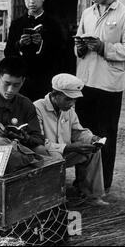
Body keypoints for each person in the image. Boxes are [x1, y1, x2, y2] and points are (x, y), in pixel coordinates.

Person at [74, 0, 125, 193]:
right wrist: (80, 47)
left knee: (105, 135)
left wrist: (104, 47)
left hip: (109, 84)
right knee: (84, 132)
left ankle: (102, 184)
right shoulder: (87, 14)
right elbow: (79, 43)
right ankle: (82, 180)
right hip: (86, 81)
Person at [34, 74, 108, 205]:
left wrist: (92, 139)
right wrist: (70, 147)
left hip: (64, 152)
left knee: (93, 151)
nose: (72, 103)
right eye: (68, 99)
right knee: (55, 156)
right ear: (55, 94)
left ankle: (90, 195)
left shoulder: (68, 109)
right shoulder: (37, 108)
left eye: (74, 100)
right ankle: (54, 199)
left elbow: (77, 132)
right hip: (44, 155)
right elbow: (38, 142)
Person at [4, 0, 65, 101]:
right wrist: (19, 45)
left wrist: (42, 44)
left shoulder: (54, 24)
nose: (32, 1)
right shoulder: (17, 24)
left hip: (45, 80)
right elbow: (8, 53)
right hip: (21, 80)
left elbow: (61, 54)